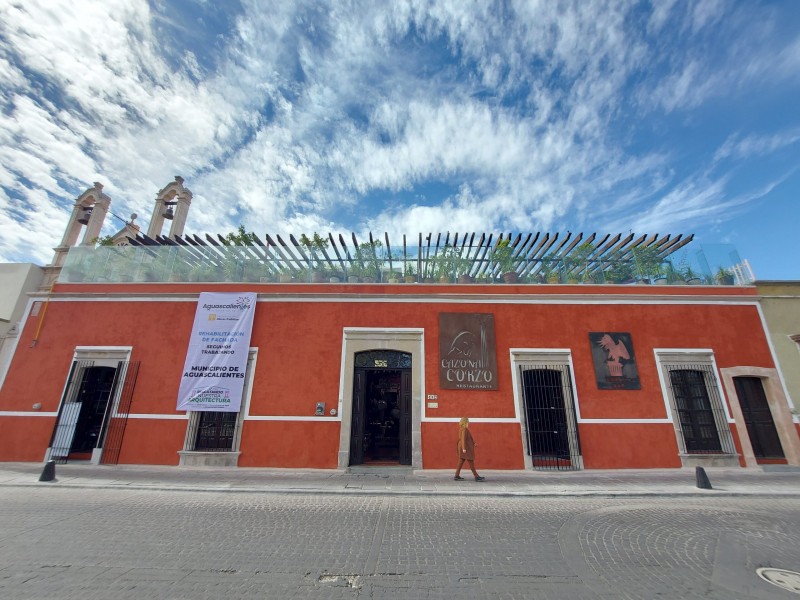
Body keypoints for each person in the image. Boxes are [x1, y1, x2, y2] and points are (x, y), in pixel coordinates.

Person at [454, 417, 485, 481]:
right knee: (470, 461)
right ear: (465, 422)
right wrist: (464, 448)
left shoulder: (461, 429)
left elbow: (468, 438)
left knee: (461, 461)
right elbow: (463, 439)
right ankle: (476, 476)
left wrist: (474, 443)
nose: (468, 422)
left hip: (463, 447)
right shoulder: (465, 429)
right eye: (468, 421)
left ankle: (456, 475)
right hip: (465, 448)